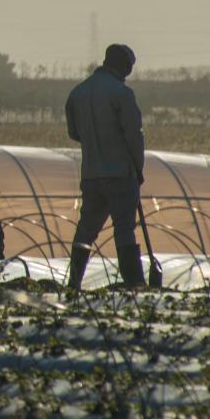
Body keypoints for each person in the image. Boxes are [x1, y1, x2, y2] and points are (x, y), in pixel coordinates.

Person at [65, 43, 146, 290]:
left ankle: (74, 282)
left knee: (86, 231)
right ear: (122, 65)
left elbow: (74, 133)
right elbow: (133, 134)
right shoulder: (122, 93)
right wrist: (138, 169)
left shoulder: (77, 93)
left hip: (91, 174)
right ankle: (134, 283)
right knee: (124, 230)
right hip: (121, 174)